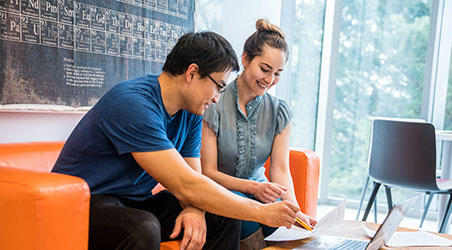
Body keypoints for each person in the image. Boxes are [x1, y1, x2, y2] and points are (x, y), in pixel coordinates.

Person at [52, 31, 299, 250]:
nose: (216, 98)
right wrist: (263, 212)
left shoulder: (190, 112)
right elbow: (186, 184)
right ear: (192, 73)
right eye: (218, 87)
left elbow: (194, 177)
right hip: (80, 204)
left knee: (222, 218)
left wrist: (195, 208)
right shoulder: (133, 103)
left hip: (132, 202)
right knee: (143, 227)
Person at [201, 19, 317, 248]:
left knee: (286, 223)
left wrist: (294, 211)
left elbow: (281, 170)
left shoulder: (279, 111)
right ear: (245, 59)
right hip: (222, 193)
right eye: (264, 69)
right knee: (249, 221)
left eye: (278, 73)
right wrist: (253, 188)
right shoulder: (213, 102)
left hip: (263, 194)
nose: (270, 80)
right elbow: (208, 172)